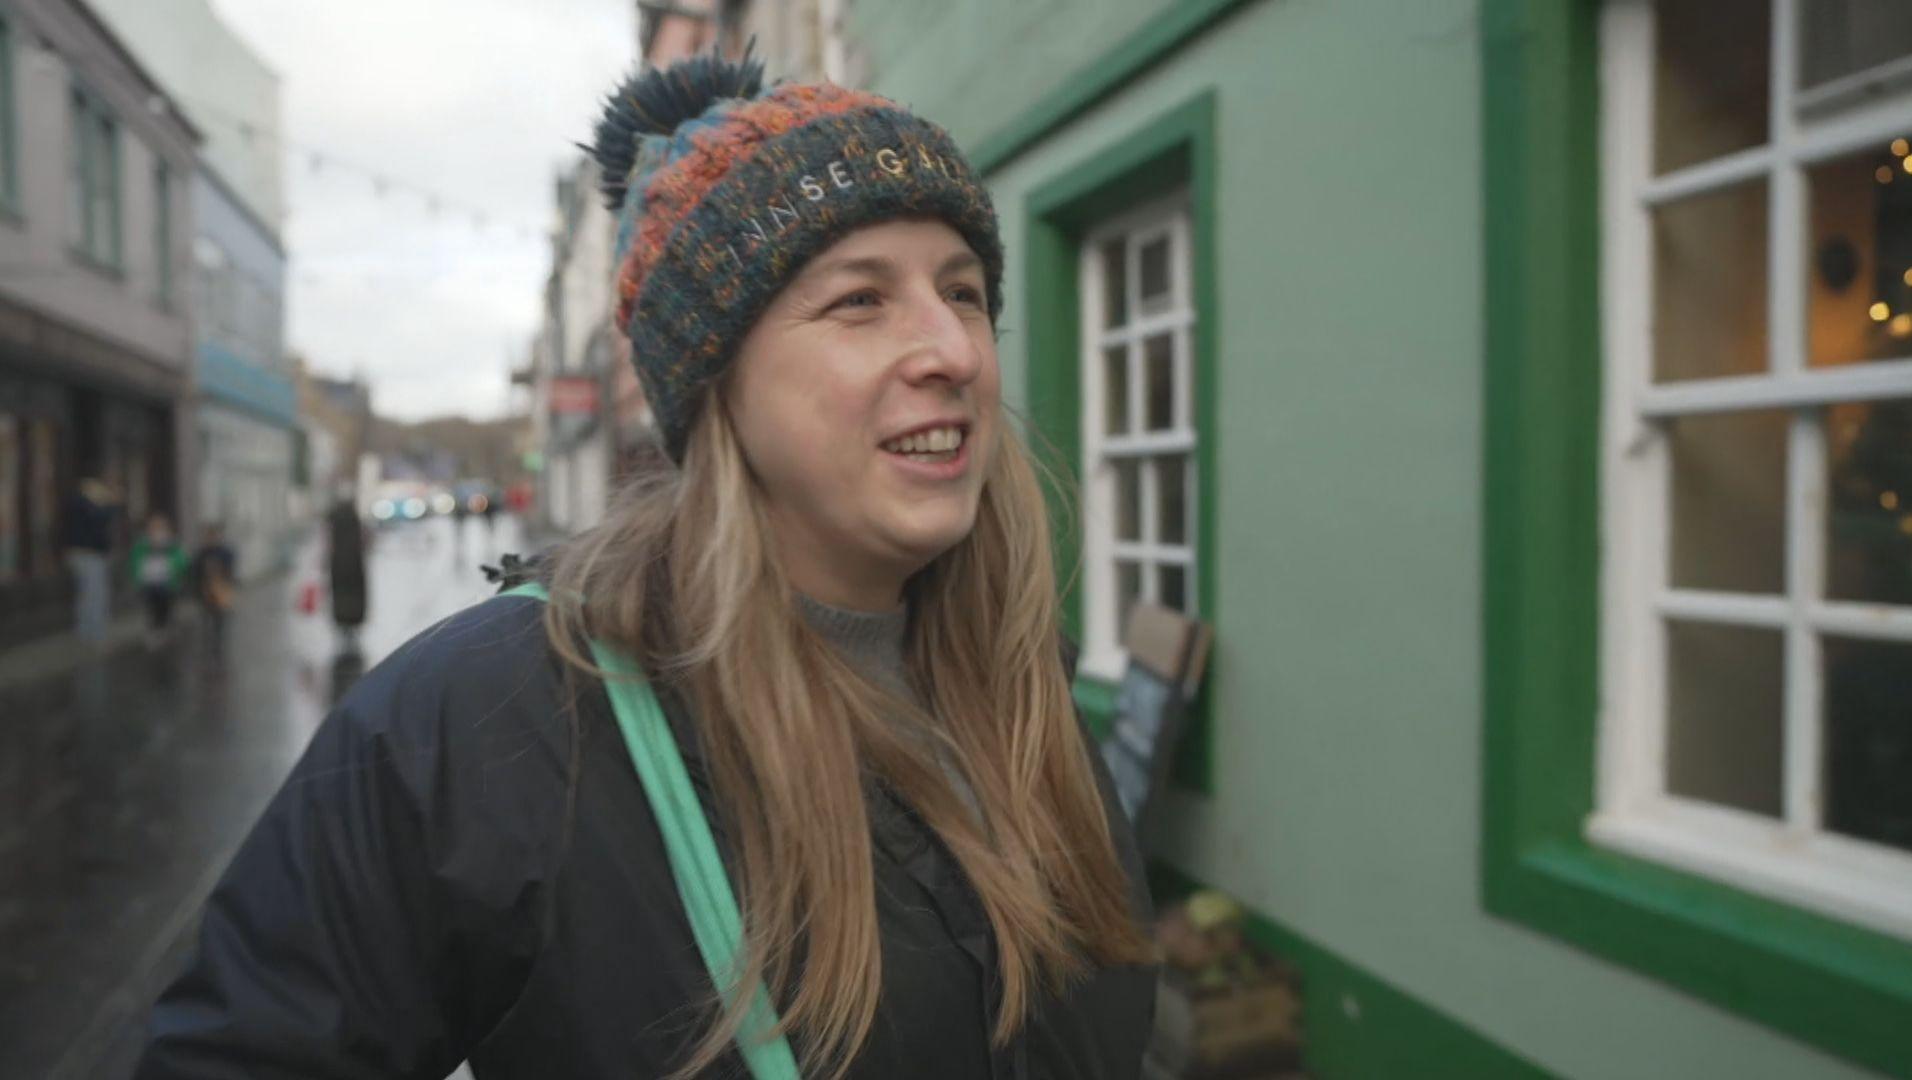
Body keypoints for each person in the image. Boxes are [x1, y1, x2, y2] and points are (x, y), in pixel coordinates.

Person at [137, 50, 1155, 1080]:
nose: (955, 350)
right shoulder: (491, 726)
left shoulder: (1019, 681)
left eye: (965, 292)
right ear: (716, 380)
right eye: (860, 301)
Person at [63, 477, 118, 646]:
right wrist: (111, 504)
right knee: (95, 593)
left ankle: (86, 631)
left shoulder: (78, 506)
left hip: (82, 554)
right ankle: (94, 633)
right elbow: (100, 520)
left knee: (86, 593)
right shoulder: (86, 506)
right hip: (90, 555)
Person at [128, 514, 186, 650]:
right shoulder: (142, 544)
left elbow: (181, 561)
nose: (156, 530)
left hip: (167, 582)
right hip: (149, 582)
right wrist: (135, 578)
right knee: (152, 607)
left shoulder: (172, 544)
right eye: (153, 527)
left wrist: (179, 574)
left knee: (166, 606)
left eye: (160, 527)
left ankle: (166, 628)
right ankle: (155, 632)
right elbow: (134, 562)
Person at [325, 484, 368, 655]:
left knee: (341, 594)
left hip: (339, 565)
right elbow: (362, 540)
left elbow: (329, 540)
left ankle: (343, 623)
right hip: (354, 564)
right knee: (354, 595)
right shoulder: (354, 517)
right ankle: (353, 624)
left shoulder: (334, 517)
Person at [189, 522, 238, 650]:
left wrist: (228, 583)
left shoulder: (225, 552)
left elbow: (230, 569)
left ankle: (217, 640)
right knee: (207, 614)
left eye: (213, 536)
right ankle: (208, 639)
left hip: (221, 589)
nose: (211, 539)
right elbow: (195, 571)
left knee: (219, 616)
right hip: (205, 590)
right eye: (208, 536)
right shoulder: (201, 554)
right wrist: (197, 588)